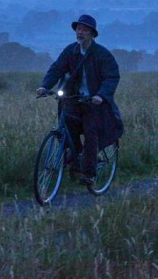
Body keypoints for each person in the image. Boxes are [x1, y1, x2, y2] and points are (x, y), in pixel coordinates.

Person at [36, 14, 124, 186]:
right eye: (78, 29)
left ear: (92, 34)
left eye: (84, 30)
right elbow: (57, 68)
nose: (80, 32)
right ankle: (76, 161)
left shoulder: (102, 54)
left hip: (93, 103)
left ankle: (89, 174)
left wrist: (100, 95)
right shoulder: (71, 51)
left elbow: (111, 77)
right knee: (67, 129)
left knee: (91, 134)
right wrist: (45, 86)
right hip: (73, 100)